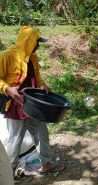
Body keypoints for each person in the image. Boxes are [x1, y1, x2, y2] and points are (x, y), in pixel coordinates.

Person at [0, 26, 64, 175]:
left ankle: (47, 163)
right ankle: (8, 173)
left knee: (42, 134)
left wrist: (42, 84)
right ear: (28, 41)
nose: (38, 45)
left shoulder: (33, 58)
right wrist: (7, 88)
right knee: (14, 141)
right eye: (37, 42)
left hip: (34, 105)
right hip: (15, 105)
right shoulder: (7, 56)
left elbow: (37, 76)